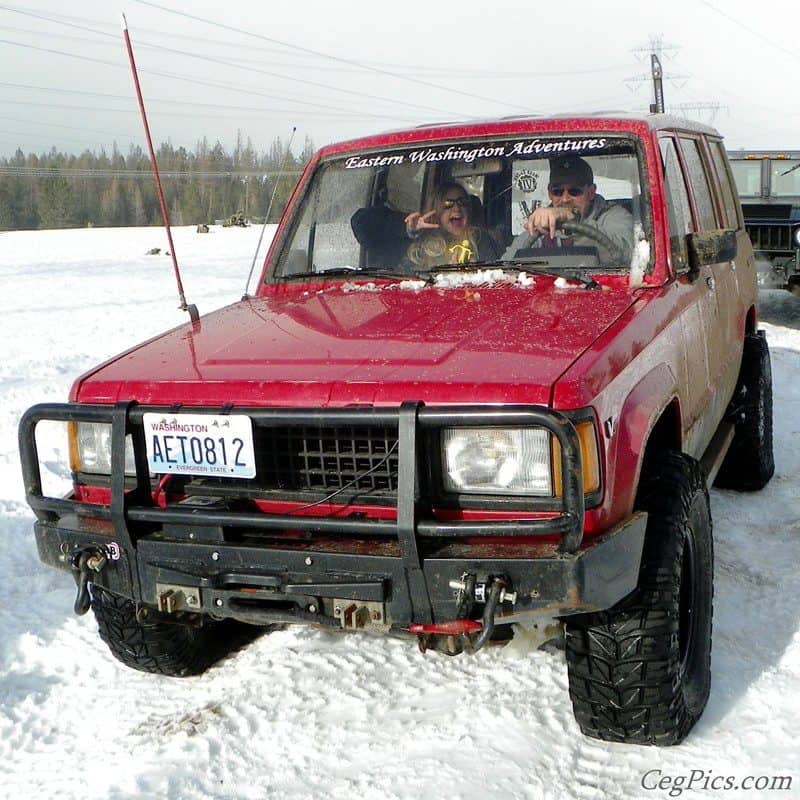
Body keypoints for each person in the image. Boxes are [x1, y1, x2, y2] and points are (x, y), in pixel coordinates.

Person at [504, 156, 634, 264]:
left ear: (591, 192)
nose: (565, 199)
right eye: (558, 191)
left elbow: (627, 257)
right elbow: (507, 266)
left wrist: (574, 223)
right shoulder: (543, 223)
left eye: (574, 191)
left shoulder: (613, 216)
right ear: (549, 193)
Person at [404, 182, 501, 269]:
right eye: (448, 203)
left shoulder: (481, 240)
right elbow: (403, 278)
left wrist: (473, 273)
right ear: (436, 211)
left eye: (462, 202)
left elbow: (497, 277)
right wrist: (413, 233)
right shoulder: (422, 246)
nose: (457, 208)